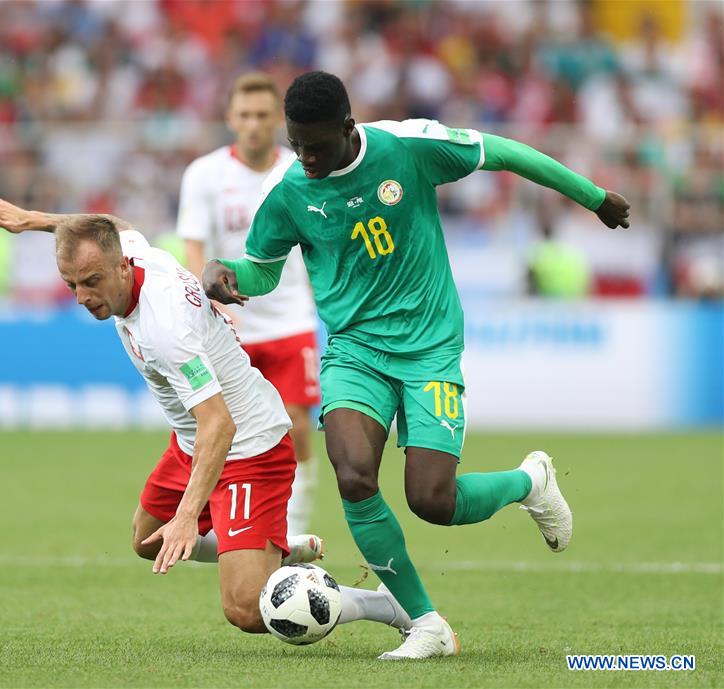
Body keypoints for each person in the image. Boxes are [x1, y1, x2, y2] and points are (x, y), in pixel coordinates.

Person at [203, 71, 632, 659]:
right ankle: (424, 622)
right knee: (353, 473)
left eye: (316, 145)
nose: (303, 157)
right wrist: (228, 271)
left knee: (432, 499)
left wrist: (594, 197)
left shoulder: (406, 146)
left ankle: (529, 482)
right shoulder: (290, 193)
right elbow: (263, 268)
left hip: (429, 348)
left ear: (349, 128)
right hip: (354, 350)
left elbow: (501, 151)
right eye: (296, 143)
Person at [0, 193, 415, 637]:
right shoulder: (132, 255)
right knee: (147, 540)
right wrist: (34, 219)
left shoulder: (166, 327)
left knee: (248, 610)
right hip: (193, 440)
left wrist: (187, 514)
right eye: (71, 284)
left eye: (91, 282)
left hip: (249, 448)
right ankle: (274, 549)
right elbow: (116, 226)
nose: (81, 296)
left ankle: (382, 603)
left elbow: (220, 423)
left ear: (121, 268)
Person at [177, 72, 320, 535]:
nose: (254, 124)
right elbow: (194, 244)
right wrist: (208, 300)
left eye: (262, 115)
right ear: (230, 119)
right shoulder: (204, 173)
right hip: (227, 322)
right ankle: (218, 521)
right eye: (245, 115)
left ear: (277, 119)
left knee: (295, 422)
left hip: (290, 317)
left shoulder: (301, 171)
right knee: (218, 423)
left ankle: (291, 527)